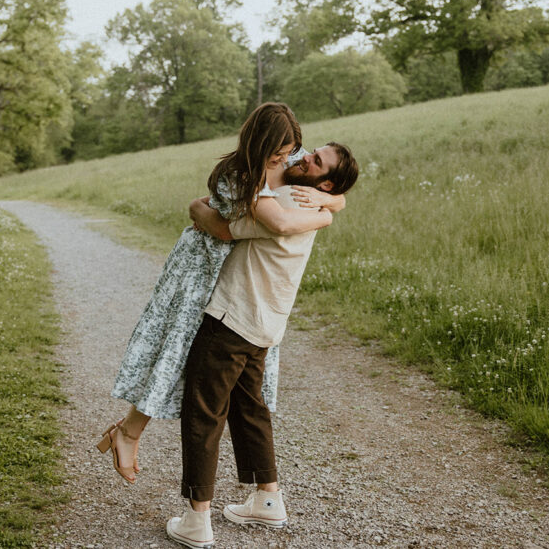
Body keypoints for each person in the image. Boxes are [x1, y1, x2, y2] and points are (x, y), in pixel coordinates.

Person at [98, 103, 341, 484]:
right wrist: (325, 215)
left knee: (223, 370)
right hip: (203, 268)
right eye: (278, 152)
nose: (287, 158)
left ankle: (129, 433)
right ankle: (129, 434)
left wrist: (331, 202)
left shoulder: (294, 158)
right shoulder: (237, 174)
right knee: (177, 349)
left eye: (291, 150)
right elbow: (229, 230)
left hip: (242, 276)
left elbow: (336, 192)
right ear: (260, 143)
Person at [165, 141, 359, 548]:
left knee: (203, 413)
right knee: (250, 406)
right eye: (311, 150)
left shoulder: (285, 199)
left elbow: (223, 227)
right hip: (265, 326)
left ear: (323, 181)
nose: (304, 157)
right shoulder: (313, 204)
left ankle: (197, 520)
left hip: (231, 320)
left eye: (315, 161)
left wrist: (197, 207)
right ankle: (267, 498)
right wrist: (333, 207)